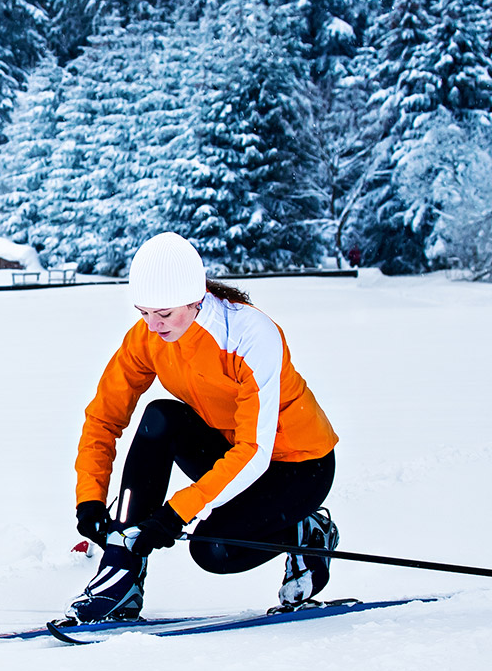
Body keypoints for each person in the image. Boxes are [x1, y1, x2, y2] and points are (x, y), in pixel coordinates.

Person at [65, 232, 340, 624]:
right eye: (143, 312)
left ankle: (307, 532)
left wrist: (175, 513)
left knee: (212, 551)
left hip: (296, 465)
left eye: (164, 314)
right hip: (231, 452)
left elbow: (254, 452)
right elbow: (103, 418)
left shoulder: (249, 335)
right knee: (161, 416)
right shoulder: (147, 338)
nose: (153, 325)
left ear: (196, 298)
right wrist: (89, 499)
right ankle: (120, 572)